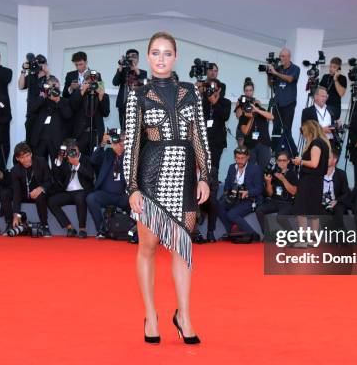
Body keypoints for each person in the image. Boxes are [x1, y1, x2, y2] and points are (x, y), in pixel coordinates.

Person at [122, 32, 211, 344]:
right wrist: (132, 187)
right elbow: (131, 143)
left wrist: (205, 176)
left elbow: (199, 136)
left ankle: (184, 315)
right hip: (150, 176)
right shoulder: (138, 94)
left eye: (167, 53)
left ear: (176, 57)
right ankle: (151, 314)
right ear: (148, 57)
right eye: (156, 53)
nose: (161, 59)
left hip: (185, 176)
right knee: (147, 248)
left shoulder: (190, 93)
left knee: (182, 250)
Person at [291, 120, 330, 247]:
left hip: (308, 181)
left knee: (301, 210)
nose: (302, 134)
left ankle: (303, 239)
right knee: (314, 211)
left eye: (303, 131)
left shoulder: (315, 143)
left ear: (308, 130)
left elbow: (314, 163)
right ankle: (313, 239)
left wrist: (300, 161)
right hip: (317, 181)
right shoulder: (323, 143)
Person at [0, 142, 52, 237]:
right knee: (5, 193)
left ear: (31, 154)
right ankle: (9, 224)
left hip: (38, 192)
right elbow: (17, 192)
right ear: (17, 158)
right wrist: (16, 215)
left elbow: (49, 181)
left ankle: (45, 226)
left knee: (40, 196)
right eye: (22, 157)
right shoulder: (15, 170)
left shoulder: (41, 162)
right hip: (23, 193)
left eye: (28, 155)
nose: (26, 159)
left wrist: (40, 188)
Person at [48, 140, 94, 238]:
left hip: (82, 190)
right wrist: (59, 161)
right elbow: (57, 177)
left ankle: (82, 229)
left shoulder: (86, 159)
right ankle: (69, 227)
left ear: (78, 149)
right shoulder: (66, 160)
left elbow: (91, 176)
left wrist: (77, 165)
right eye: (71, 151)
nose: (73, 153)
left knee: (80, 198)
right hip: (68, 192)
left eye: (75, 151)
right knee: (52, 201)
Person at [217, 147, 264, 242]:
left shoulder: (255, 169)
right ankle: (231, 232)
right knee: (218, 205)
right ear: (234, 157)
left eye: (242, 158)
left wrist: (248, 192)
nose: (239, 161)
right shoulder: (231, 167)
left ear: (247, 157)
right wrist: (228, 194)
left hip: (249, 199)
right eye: (237, 158)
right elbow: (227, 184)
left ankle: (254, 234)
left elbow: (260, 188)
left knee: (231, 214)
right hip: (234, 198)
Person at [88, 131, 129, 239]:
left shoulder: (129, 156)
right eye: (118, 141)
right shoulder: (108, 153)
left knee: (136, 201)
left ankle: (131, 231)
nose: (120, 144)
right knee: (91, 198)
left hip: (122, 196)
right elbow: (93, 160)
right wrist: (102, 144)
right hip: (105, 194)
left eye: (123, 142)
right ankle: (102, 229)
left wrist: (120, 155)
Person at [27, 76, 72, 164]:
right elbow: (31, 110)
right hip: (39, 139)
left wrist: (58, 101)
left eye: (58, 88)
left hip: (56, 141)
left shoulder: (64, 101)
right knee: (39, 166)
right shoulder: (41, 100)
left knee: (57, 167)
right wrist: (43, 96)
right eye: (53, 88)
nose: (56, 90)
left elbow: (68, 115)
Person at [254, 151, 298, 235]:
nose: (281, 162)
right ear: (276, 161)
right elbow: (270, 194)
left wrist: (283, 179)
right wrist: (268, 183)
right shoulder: (273, 173)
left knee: (280, 217)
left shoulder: (292, 174)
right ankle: (268, 234)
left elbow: (294, 191)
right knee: (259, 210)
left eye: (284, 160)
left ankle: (292, 236)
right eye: (279, 160)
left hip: (287, 202)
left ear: (288, 161)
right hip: (274, 201)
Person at [267, 48, 299, 157]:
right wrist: (270, 74)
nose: (281, 58)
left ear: (289, 57)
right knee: (276, 128)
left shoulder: (295, 68)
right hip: (278, 103)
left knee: (286, 130)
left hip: (289, 104)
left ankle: (291, 153)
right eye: (280, 56)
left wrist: (276, 72)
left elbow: (290, 79)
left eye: (283, 56)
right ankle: (274, 151)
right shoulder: (278, 68)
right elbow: (271, 84)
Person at [236, 78, 273, 170]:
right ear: (244, 91)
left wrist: (256, 109)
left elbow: (271, 117)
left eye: (250, 90)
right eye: (246, 91)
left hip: (263, 141)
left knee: (264, 168)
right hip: (249, 141)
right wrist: (245, 110)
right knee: (249, 167)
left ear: (253, 91)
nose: (249, 93)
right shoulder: (241, 103)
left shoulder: (257, 104)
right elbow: (239, 117)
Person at [70, 69, 109, 155]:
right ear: (85, 81)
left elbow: (106, 113)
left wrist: (101, 97)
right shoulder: (78, 93)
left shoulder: (103, 96)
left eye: (94, 82)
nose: (92, 84)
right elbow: (73, 107)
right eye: (89, 82)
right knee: (80, 158)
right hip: (81, 133)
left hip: (96, 134)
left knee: (95, 159)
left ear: (99, 83)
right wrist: (82, 91)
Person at [202, 78, 231, 176]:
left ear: (219, 89)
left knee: (214, 167)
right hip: (204, 140)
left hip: (217, 141)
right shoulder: (204, 102)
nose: (211, 90)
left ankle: (213, 189)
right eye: (209, 87)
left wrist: (215, 102)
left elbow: (225, 116)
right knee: (203, 167)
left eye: (214, 88)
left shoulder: (226, 102)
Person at [112, 49, 148, 128]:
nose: (131, 59)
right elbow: (115, 82)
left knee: (137, 128)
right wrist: (120, 67)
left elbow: (145, 85)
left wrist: (135, 68)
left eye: (134, 57)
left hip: (137, 104)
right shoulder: (122, 71)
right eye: (129, 57)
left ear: (138, 59)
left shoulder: (143, 72)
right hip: (122, 103)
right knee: (123, 128)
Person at [18, 54, 49, 143]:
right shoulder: (32, 76)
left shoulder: (48, 77)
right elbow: (21, 86)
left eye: (41, 64)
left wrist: (47, 73)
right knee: (29, 142)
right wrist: (24, 70)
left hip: (43, 114)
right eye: (37, 64)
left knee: (41, 144)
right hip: (31, 114)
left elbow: (52, 88)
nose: (38, 66)